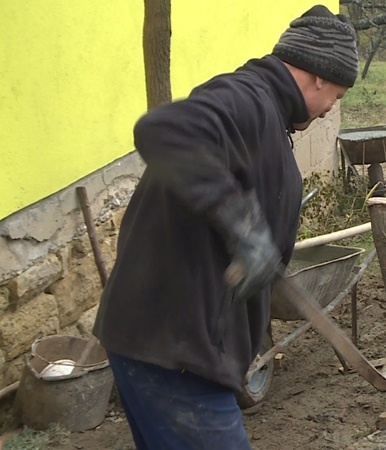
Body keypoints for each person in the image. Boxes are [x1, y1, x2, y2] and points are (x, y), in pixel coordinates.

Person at [92, 5, 359, 449]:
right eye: (337, 96)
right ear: (319, 77)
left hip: (170, 345)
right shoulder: (246, 99)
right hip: (176, 353)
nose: (331, 109)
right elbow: (166, 128)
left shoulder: (267, 113)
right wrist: (244, 226)